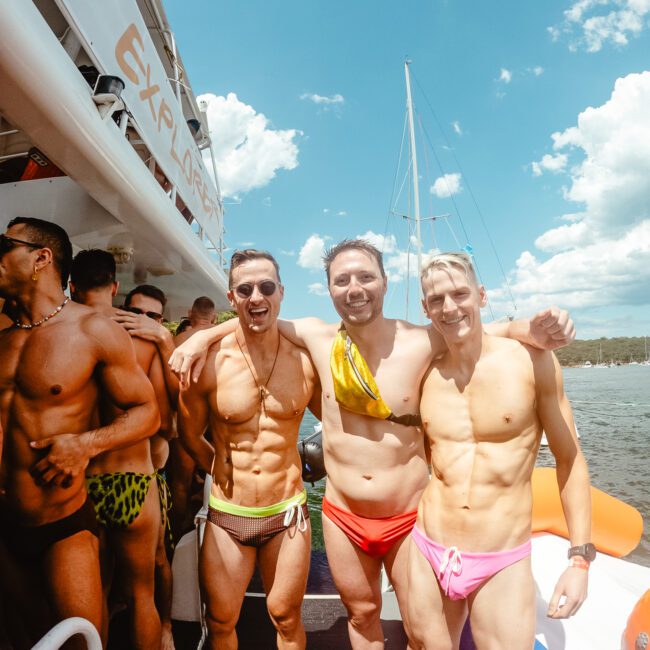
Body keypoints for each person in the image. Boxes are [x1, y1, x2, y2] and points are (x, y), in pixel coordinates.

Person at [169, 239, 575, 649]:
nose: (355, 288)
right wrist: (200, 339)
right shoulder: (317, 338)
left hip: (408, 517)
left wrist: (530, 329)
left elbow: (479, 331)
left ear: (384, 281)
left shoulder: (420, 341)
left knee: (422, 633)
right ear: (329, 290)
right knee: (361, 616)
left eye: (365, 277)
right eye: (342, 280)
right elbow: (254, 320)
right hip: (343, 516)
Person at [407, 252, 591, 649]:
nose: (450, 307)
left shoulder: (532, 360)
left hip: (500, 558)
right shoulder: (425, 372)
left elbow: (569, 458)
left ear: (482, 295)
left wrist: (579, 559)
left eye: (460, 294)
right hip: (428, 547)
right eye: (436, 300)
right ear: (425, 308)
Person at [0, 218, 159, 647]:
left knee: (81, 641)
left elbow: (148, 413)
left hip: (62, 524)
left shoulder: (92, 329)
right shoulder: (4, 336)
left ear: (41, 258)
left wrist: (85, 444)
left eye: (4, 245)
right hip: (5, 524)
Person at [177, 250, 320, 649]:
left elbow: (338, 427)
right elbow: (187, 435)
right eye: (245, 289)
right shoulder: (206, 364)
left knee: (287, 618)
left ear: (281, 293)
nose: (256, 296)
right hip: (227, 515)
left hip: (286, 513)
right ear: (231, 297)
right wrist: (221, 468)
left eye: (266, 287)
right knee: (221, 620)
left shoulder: (306, 361)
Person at [70, 249, 174, 649]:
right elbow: (163, 422)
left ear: (73, 287)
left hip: (81, 482)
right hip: (133, 479)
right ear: (115, 287)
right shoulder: (140, 343)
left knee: (92, 593)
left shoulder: (60, 336)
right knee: (139, 595)